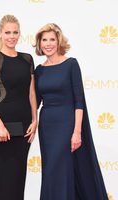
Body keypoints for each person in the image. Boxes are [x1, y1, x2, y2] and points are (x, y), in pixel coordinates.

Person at [34, 23, 108, 200]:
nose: (48, 44)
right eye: (44, 40)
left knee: (63, 170)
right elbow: (34, 102)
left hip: (67, 124)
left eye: (52, 39)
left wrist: (77, 132)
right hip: (47, 126)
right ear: (39, 43)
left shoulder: (71, 64)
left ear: (59, 41)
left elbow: (79, 101)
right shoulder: (39, 70)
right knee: (51, 171)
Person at [0, 15, 37, 200]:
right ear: (0, 33)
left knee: (18, 176)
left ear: (19, 33)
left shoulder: (27, 59)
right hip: (1, 124)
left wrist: (35, 120)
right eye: (7, 32)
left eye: (15, 32)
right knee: (0, 176)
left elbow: (31, 94)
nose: (11, 36)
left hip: (24, 125)